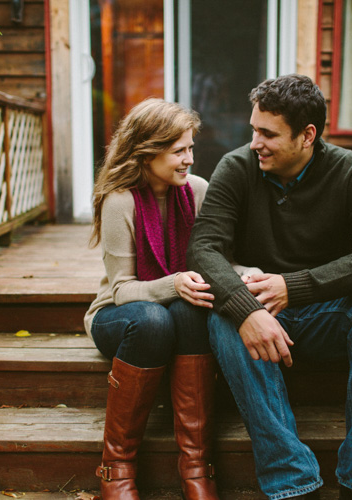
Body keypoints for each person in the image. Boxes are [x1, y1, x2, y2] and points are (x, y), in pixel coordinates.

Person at [186, 74, 352, 500]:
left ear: (307, 135)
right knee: (224, 321)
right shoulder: (237, 168)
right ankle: (293, 483)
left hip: (331, 314)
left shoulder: (349, 170)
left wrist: (297, 286)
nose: (255, 142)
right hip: (263, 319)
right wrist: (248, 310)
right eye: (254, 129)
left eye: (268, 134)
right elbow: (203, 248)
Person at [84, 98, 219, 500]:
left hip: (173, 313)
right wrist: (174, 284)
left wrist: (247, 274)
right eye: (179, 150)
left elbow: (215, 261)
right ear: (148, 150)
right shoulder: (119, 200)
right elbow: (122, 289)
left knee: (192, 311)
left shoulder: (197, 192)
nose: (189, 160)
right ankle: (117, 468)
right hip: (119, 315)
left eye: (191, 148)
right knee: (153, 320)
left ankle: (196, 464)